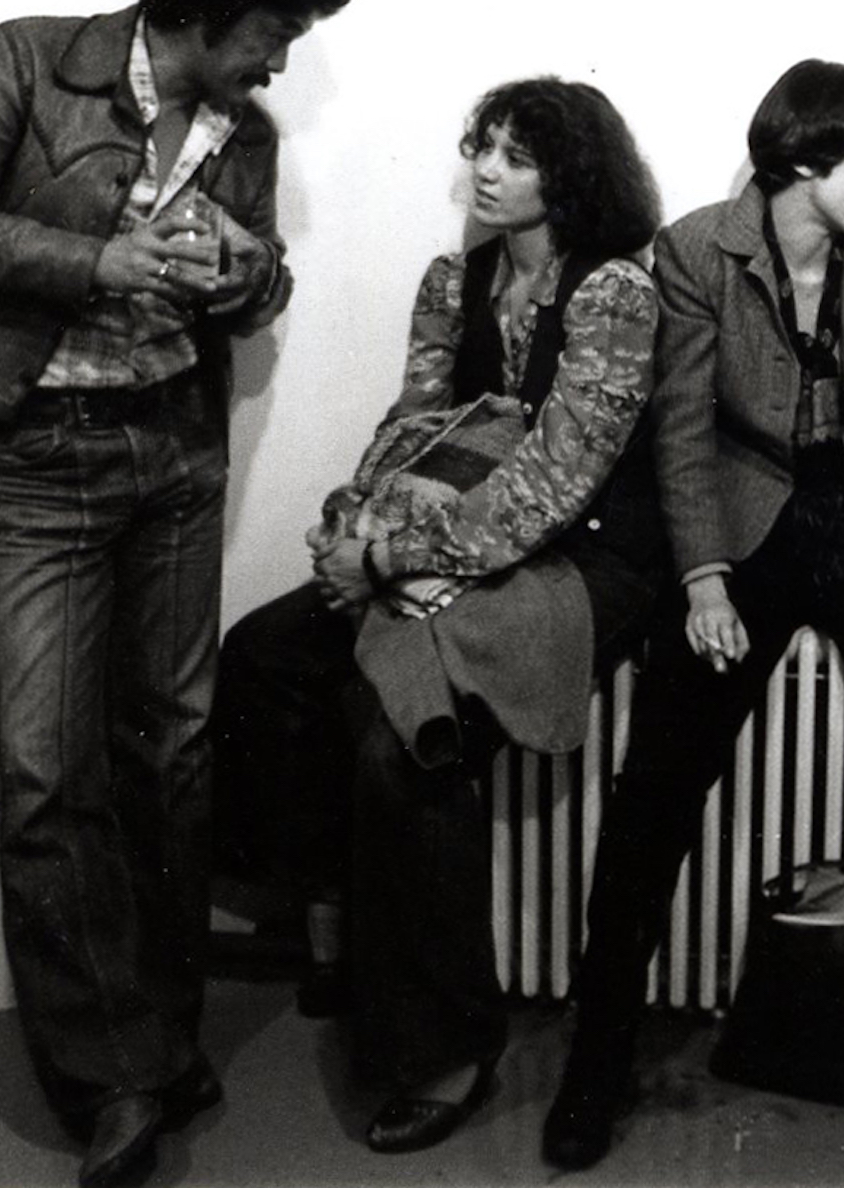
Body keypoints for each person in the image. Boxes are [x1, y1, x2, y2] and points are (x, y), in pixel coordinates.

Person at [0, 0, 351, 1188]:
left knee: (174, 758)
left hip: (175, 460)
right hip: (41, 461)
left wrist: (244, 272)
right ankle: (112, 1076)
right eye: (273, 34)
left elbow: (263, 289)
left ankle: (160, 1040)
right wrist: (99, 264)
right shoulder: (30, 62)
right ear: (213, 7)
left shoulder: (244, 136)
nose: (278, 64)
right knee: (46, 771)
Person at [542, 60, 844, 1171]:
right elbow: (679, 429)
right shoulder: (695, 249)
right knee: (657, 786)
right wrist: (704, 581)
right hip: (744, 525)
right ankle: (597, 1063)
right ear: (807, 159)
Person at [211, 78, 667, 1154]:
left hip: (586, 561)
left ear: (573, 175)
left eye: (516, 155)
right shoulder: (454, 281)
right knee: (265, 655)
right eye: (481, 149)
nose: (486, 172)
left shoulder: (614, 293)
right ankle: (327, 911)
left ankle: (448, 1049)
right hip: (442, 534)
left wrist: (389, 558)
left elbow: (557, 482)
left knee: (404, 742)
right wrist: (352, 522)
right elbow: (411, 426)